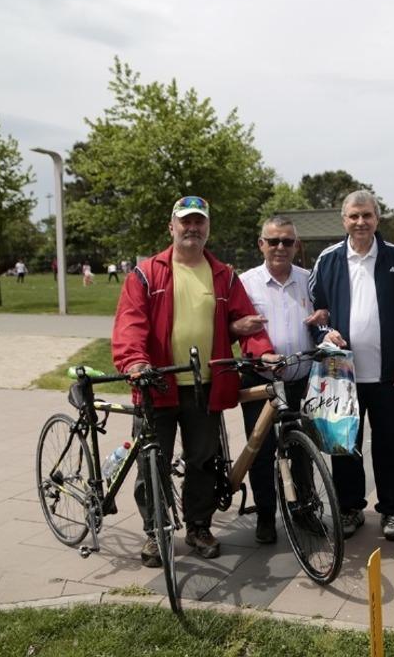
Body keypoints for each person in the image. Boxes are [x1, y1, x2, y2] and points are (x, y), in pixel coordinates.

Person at [112, 195, 275, 567]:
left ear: (208, 228)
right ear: (171, 227)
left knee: (203, 461)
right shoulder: (146, 273)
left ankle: (198, 526)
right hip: (156, 385)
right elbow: (130, 324)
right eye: (185, 221)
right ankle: (155, 532)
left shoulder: (223, 275)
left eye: (199, 221)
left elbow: (246, 322)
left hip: (205, 386)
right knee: (152, 463)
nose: (192, 228)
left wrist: (262, 351)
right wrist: (135, 361)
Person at [308, 190, 394, 541]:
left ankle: (391, 509)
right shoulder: (328, 259)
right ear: (344, 220)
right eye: (354, 216)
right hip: (342, 376)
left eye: (367, 215)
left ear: (377, 218)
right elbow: (315, 313)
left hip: (387, 374)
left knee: (389, 444)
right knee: (344, 445)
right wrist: (326, 334)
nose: (361, 222)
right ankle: (350, 507)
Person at [240, 216, 327, 544]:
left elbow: (323, 318)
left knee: (303, 449)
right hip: (260, 380)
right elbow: (235, 325)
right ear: (261, 244)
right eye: (273, 241)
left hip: (300, 379)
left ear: (296, 245)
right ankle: (265, 515)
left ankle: (304, 510)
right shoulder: (246, 282)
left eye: (287, 241)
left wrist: (325, 318)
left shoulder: (309, 279)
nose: (280, 247)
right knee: (260, 450)